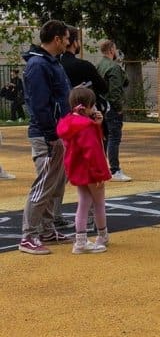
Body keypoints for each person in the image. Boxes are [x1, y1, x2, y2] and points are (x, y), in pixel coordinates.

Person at [18, 20, 72, 255]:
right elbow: (38, 104)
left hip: (56, 132)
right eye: (67, 38)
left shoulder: (50, 63)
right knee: (43, 184)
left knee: (54, 183)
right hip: (46, 135)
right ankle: (28, 236)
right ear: (57, 38)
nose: (69, 42)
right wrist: (51, 135)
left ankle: (47, 229)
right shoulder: (39, 65)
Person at [55, 86, 111, 253]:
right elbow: (93, 150)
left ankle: (80, 239)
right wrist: (100, 173)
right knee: (99, 203)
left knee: (84, 203)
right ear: (87, 106)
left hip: (77, 169)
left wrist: (96, 124)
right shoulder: (86, 126)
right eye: (93, 106)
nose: (95, 109)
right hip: (92, 170)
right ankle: (102, 235)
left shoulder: (69, 122)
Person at [96, 39, 131, 182]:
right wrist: (118, 107)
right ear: (111, 50)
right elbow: (116, 90)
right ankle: (114, 169)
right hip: (111, 106)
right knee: (114, 138)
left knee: (103, 138)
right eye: (115, 49)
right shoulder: (114, 67)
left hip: (101, 105)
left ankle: (101, 167)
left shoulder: (99, 65)